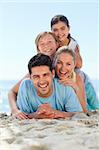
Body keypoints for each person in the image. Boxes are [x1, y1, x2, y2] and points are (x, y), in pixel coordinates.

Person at [51, 14, 99, 111]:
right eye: (55, 30)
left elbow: (79, 65)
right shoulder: (52, 44)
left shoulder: (73, 44)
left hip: (78, 76)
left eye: (62, 28)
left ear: (68, 29)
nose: (59, 33)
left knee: (94, 104)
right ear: (52, 31)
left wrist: (69, 53)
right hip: (63, 74)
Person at [16, 53, 82, 119]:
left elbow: (78, 115)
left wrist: (54, 113)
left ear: (53, 74)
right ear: (30, 77)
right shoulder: (25, 86)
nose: (42, 81)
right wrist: (37, 115)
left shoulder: (65, 87)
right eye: (36, 76)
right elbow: (22, 116)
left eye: (45, 75)